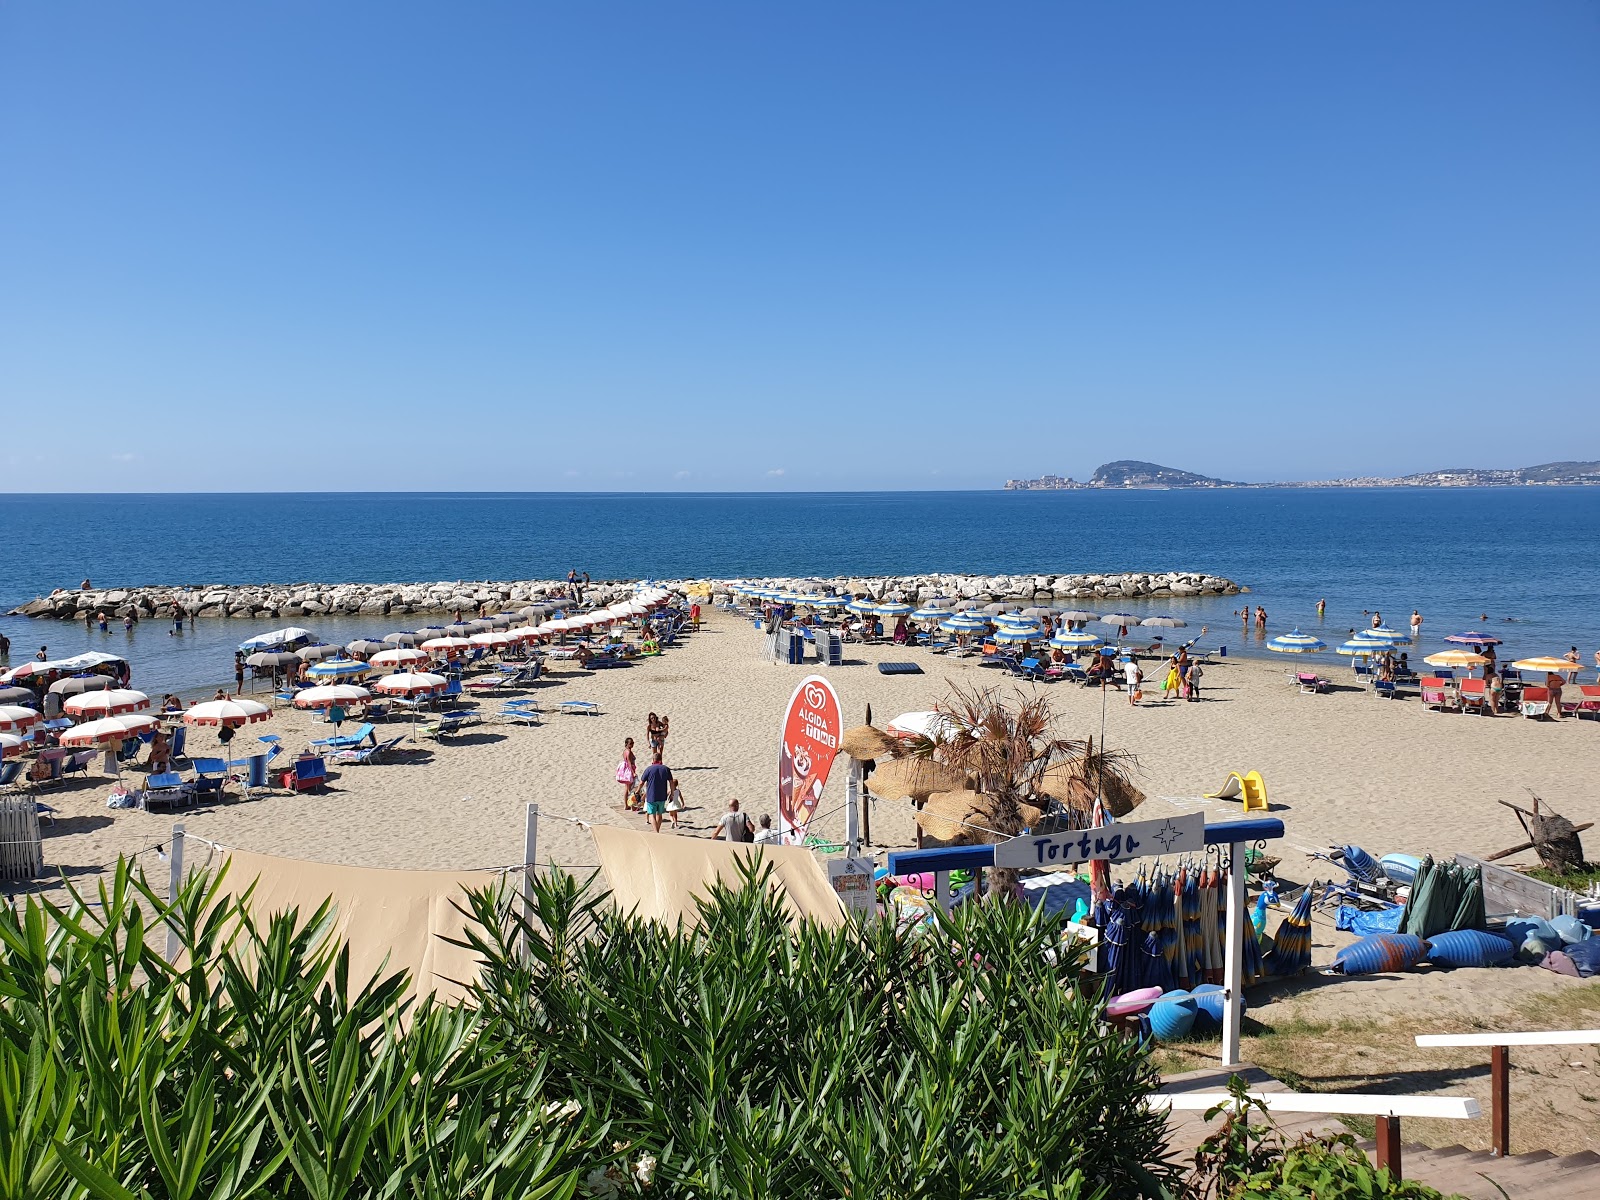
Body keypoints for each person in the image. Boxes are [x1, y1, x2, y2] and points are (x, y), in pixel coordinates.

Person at [638, 752, 673, 833]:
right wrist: (672, 793)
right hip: (662, 795)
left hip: (651, 795)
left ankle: (656, 832)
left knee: (651, 815)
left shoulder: (649, 769)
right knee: (659, 814)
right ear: (661, 759)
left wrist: (637, 791)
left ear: (653, 760)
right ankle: (657, 830)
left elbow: (641, 783)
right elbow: (671, 782)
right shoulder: (666, 769)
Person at [616, 736, 638, 808]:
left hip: (626, 770)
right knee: (630, 788)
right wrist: (633, 772)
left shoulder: (625, 751)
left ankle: (627, 805)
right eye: (631, 743)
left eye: (633, 743)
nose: (632, 744)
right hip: (629, 770)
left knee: (627, 787)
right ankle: (630, 805)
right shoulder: (628, 752)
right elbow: (629, 762)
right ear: (627, 744)